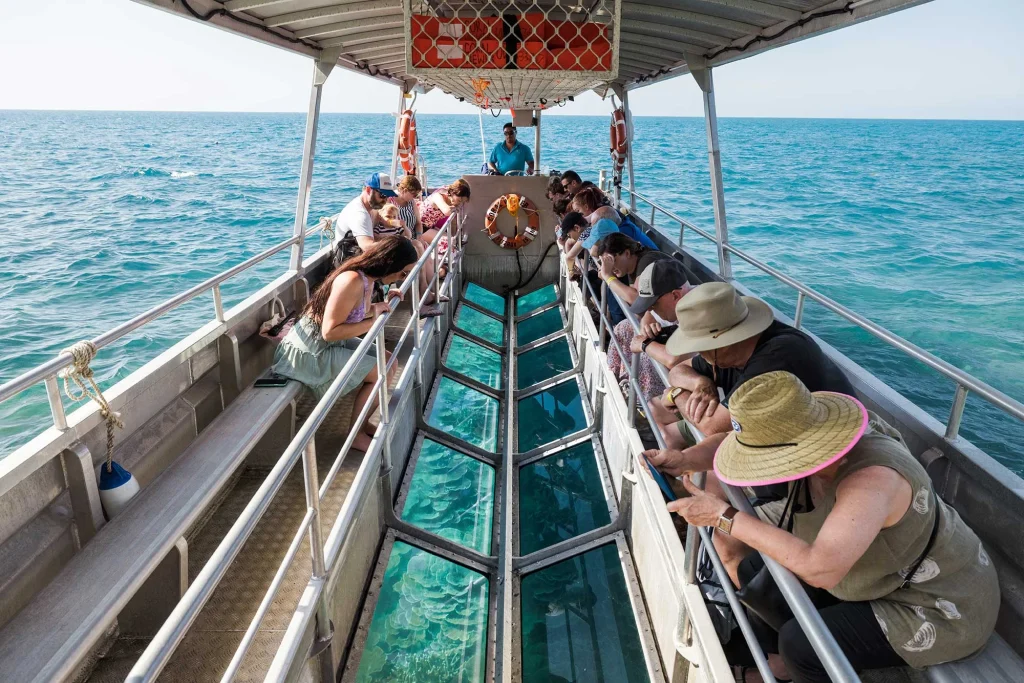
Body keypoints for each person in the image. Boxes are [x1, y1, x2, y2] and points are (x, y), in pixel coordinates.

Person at [665, 371, 1000, 683]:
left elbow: (820, 568)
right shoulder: (813, 442)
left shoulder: (873, 479)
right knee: (756, 571)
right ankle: (778, 665)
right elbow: (729, 441)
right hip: (880, 572)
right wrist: (685, 460)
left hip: (937, 602)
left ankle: (793, 665)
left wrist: (723, 516)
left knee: (802, 645)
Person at [647, 281, 855, 451]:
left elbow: (712, 426)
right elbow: (678, 370)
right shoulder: (731, 349)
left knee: (706, 478)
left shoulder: (776, 357)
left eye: (701, 346)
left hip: (822, 449)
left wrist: (675, 395)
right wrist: (701, 383)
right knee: (656, 413)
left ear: (722, 341)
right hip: (769, 433)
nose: (700, 353)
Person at [272, 237, 418, 451]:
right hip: (310, 351)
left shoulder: (368, 279)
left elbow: (352, 313)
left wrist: (380, 305)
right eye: (403, 273)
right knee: (379, 371)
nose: (401, 277)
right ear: (390, 264)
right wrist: (373, 319)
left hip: (326, 343)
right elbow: (330, 331)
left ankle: (363, 422)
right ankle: (355, 436)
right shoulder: (352, 280)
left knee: (388, 360)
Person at [333, 172, 397, 266]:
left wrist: (399, 228)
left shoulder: (372, 208)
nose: (385, 200)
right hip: (349, 261)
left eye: (388, 196)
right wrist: (396, 243)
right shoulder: (359, 213)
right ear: (368, 190)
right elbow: (367, 246)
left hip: (360, 256)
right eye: (383, 195)